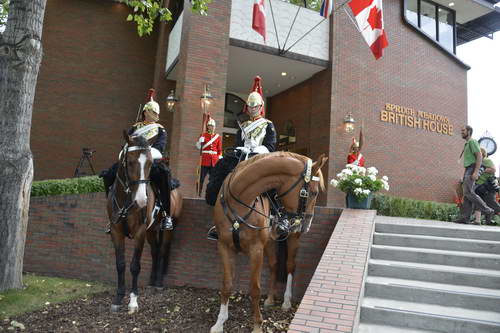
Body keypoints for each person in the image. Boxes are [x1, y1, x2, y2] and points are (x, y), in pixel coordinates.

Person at [205, 90, 277, 240]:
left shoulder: (267, 125)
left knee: (274, 183)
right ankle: (218, 220)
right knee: (222, 173)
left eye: (255, 106)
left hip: (259, 157)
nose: (252, 109)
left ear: (260, 106)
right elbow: (238, 144)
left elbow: (270, 146)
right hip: (242, 157)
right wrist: (242, 148)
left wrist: (255, 148)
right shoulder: (243, 125)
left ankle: (275, 218)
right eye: (250, 107)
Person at [100, 90, 174, 232]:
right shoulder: (135, 127)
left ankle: (166, 215)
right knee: (109, 175)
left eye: (156, 114)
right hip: (133, 160)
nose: (155, 116)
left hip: (149, 160)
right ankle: (113, 212)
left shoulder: (160, 130)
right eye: (153, 113)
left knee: (164, 177)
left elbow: (160, 147)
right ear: (146, 112)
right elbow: (127, 144)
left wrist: (144, 155)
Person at [454, 125, 494, 225]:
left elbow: (479, 156)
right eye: (461, 130)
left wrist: (476, 172)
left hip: (472, 169)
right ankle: (465, 218)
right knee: (467, 195)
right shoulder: (467, 144)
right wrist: (465, 174)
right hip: (468, 169)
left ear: (469, 131)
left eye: (463, 130)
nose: (461, 132)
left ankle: (488, 210)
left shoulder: (472, 142)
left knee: (469, 193)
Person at [473, 147, 500, 225]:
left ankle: (487, 220)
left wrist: (482, 169)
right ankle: (478, 221)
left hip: (488, 187)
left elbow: (493, 170)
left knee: (491, 203)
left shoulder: (486, 160)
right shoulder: (477, 162)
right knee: (478, 203)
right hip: (479, 186)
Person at [196, 117, 222, 197]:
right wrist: (199, 142)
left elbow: (219, 149)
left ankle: (211, 194)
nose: (212, 127)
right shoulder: (203, 135)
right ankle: (199, 194)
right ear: (207, 127)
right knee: (201, 178)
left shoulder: (217, 137)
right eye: (210, 126)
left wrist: (219, 158)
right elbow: (198, 147)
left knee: (213, 179)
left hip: (214, 160)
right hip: (204, 160)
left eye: (213, 126)